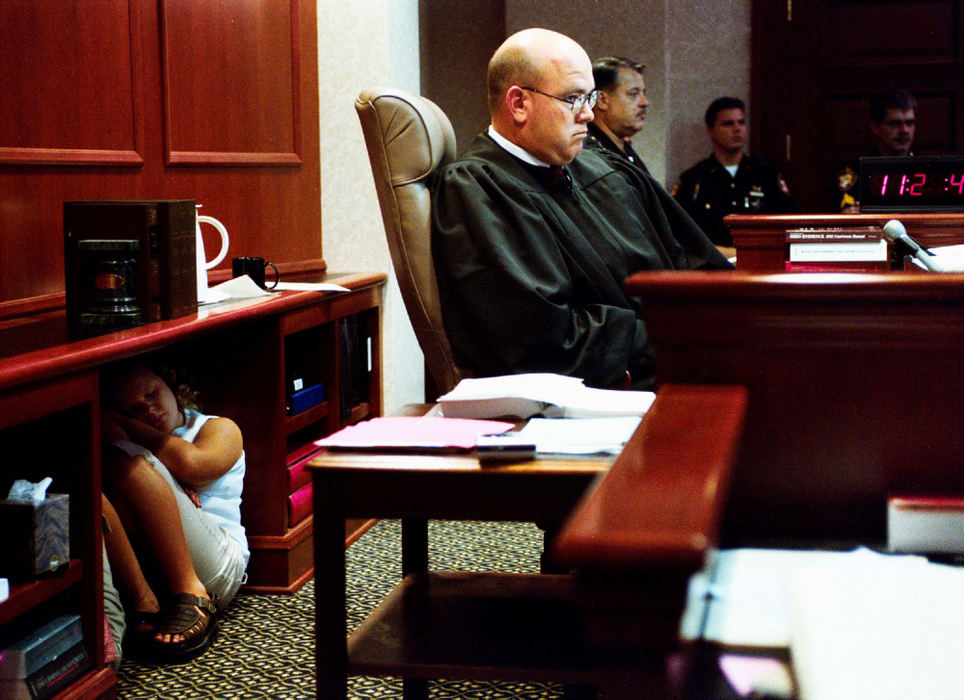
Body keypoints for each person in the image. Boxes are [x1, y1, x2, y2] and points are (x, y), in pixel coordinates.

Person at [431, 28, 730, 392]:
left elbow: (693, 260)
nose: (589, 115)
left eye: (590, 97)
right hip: (624, 386)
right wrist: (669, 335)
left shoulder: (604, 168)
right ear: (519, 104)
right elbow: (536, 337)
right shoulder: (478, 189)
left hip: (685, 354)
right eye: (574, 98)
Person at [100, 361, 248, 663]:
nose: (150, 411)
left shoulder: (218, 427)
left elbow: (192, 464)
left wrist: (125, 426)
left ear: (170, 383)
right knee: (96, 467)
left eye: (152, 394)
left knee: (124, 460)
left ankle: (190, 592)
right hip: (153, 568)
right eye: (132, 411)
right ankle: (141, 601)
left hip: (220, 567)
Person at [672, 96, 796, 252]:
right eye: (728, 124)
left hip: (759, 261)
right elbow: (678, 231)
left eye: (741, 122)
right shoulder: (694, 179)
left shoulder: (766, 175)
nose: (737, 129)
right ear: (710, 131)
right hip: (711, 266)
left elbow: (788, 221)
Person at [837, 88, 917, 212]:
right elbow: (842, 210)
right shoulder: (853, 172)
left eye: (910, 123)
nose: (905, 131)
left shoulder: (924, 169)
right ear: (876, 128)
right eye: (895, 124)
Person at [585, 56, 651, 174]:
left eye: (643, 93)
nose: (644, 102)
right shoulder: (588, 156)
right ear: (602, 100)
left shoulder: (623, 148)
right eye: (634, 94)